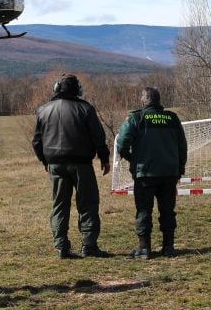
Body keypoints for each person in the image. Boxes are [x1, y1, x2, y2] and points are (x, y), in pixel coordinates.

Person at [32, 74, 111, 259]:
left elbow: (36, 140)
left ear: (57, 88)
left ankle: (61, 247)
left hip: (55, 164)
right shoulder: (85, 108)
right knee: (88, 203)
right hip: (81, 164)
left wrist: (45, 161)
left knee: (59, 205)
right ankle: (89, 245)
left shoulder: (43, 110)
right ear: (77, 90)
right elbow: (98, 137)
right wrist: (104, 158)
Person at [115, 86, 187, 259]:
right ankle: (168, 247)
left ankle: (144, 248)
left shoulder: (137, 118)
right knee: (168, 211)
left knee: (143, 210)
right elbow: (182, 147)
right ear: (158, 100)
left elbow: (121, 143)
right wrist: (179, 169)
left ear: (144, 100)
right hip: (169, 173)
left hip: (145, 173)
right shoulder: (172, 118)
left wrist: (132, 159)